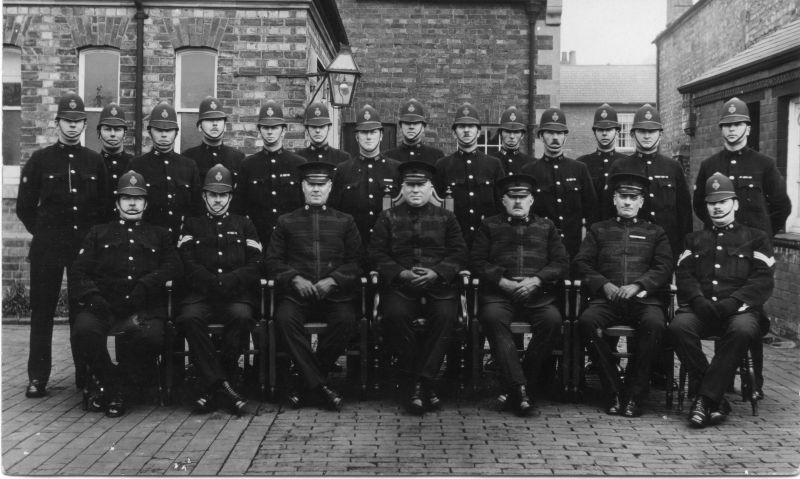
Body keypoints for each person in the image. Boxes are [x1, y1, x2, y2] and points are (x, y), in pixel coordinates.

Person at [692, 98, 790, 397]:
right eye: (727, 125)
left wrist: (758, 233)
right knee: (722, 303)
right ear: (721, 130)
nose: (732, 130)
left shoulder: (764, 164)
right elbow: (700, 205)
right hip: (722, 249)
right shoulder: (710, 165)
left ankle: (753, 381)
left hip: (753, 251)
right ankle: (723, 377)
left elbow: (781, 206)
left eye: (737, 124)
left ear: (748, 127)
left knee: (750, 309)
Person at [16, 92, 109, 397]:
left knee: (80, 312)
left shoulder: (94, 161)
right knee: (42, 312)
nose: (72, 127)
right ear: (56, 123)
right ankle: (38, 377)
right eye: (67, 121)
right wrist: (44, 233)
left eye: (78, 121)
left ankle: (84, 374)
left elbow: (104, 207)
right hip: (47, 249)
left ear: (85, 124)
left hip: (83, 250)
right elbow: (25, 207)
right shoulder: (40, 160)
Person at [69, 171, 182, 417]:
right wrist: (95, 298)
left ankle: (117, 386)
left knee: (152, 338)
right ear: (117, 202)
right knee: (84, 331)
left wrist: (146, 285)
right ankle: (114, 385)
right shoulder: (98, 233)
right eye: (126, 198)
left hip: (144, 307)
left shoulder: (159, 234)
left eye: (138, 199)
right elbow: (78, 271)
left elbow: (174, 266)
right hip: (104, 307)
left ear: (146, 203)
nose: (132, 204)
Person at [670, 173, 775, 428]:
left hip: (740, 312)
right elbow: (684, 275)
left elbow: (762, 280)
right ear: (705, 207)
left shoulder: (756, 238)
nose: (717, 207)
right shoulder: (693, 240)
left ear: (735, 204)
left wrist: (733, 302)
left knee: (742, 330)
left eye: (723, 201)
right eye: (711, 203)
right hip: (702, 309)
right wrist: (697, 300)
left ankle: (704, 399)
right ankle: (716, 401)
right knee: (678, 327)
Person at [368, 161, 468, 415]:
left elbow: (459, 252)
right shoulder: (388, 216)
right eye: (410, 185)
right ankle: (424, 383)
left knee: (446, 316)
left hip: (438, 285)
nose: (415, 190)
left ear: (430, 187)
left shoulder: (446, 216)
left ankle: (419, 382)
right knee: (394, 315)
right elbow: (376, 253)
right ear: (402, 188)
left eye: (420, 185)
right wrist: (400, 272)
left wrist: (437, 272)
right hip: (402, 285)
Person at [265, 161, 364, 411]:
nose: (316, 190)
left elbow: (357, 262)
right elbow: (272, 261)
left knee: (346, 320)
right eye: (311, 184)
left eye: (321, 185)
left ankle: (304, 382)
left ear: (330, 187)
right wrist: (294, 278)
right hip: (297, 295)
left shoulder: (345, 221)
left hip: (334, 295)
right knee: (284, 320)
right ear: (303, 186)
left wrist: (334, 280)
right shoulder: (286, 221)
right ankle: (320, 387)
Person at [574, 172, 673, 417]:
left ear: (641, 202)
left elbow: (664, 266)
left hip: (643, 300)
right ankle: (613, 391)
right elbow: (582, 263)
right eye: (623, 197)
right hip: (607, 299)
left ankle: (634, 395)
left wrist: (639, 285)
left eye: (633, 197)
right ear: (614, 200)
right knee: (586, 322)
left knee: (655, 324)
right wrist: (604, 285)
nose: (627, 202)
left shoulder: (655, 232)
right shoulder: (598, 230)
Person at [470, 174, 569, 416]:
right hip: (499, 295)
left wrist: (536, 280)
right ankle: (521, 389)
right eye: (512, 198)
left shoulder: (547, 227)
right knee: (492, 319)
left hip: (537, 294)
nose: (517, 202)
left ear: (531, 200)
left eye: (522, 197)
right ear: (503, 201)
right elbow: (476, 260)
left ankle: (517, 385)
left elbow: (561, 262)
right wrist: (502, 280)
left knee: (552, 320)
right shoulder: (489, 225)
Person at [176, 164, 262, 415]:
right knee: (190, 318)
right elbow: (186, 261)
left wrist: (231, 280)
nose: (217, 200)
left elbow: (256, 262)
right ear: (204, 196)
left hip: (235, 294)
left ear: (230, 197)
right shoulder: (191, 224)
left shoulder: (244, 223)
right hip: (201, 294)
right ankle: (224, 385)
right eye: (212, 195)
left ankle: (210, 386)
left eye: (222, 195)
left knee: (242, 316)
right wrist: (211, 283)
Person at [604, 104, 692, 261]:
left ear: (660, 134)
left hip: (667, 247)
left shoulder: (673, 167)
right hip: (630, 247)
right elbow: (606, 210)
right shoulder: (620, 166)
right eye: (642, 131)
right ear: (632, 134)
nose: (647, 136)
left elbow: (684, 212)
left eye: (651, 131)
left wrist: (684, 248)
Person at [521, 107, 597, 261]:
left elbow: (591, 211)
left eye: (559, 133)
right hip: (540, 246)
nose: (555, 137)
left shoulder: (579, 169)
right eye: (549, 132)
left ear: (565, 138)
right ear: (541, 136)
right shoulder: (529, 170)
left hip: (573, 246)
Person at [234, 100, 306, 246]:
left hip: (291, 241)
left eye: (274, 127)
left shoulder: (298, 164)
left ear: (284, 130)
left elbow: (304, 207)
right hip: (257, 240)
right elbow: (239, 209)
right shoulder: (248, 165)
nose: (270, 131)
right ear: (259, 130)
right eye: (265, 127)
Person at [128, 102, 202, 242]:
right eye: (158, 130)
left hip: (180, 241)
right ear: (150, 131)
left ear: (176, 132)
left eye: (168, 130)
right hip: (147, 241)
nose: (163, 134)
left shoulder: (189, 166)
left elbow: (197, 209)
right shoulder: (137, 165)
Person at [434, 102, 506, 246]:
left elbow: (502, 206)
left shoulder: (494, 164)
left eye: (471, 126)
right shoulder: (442, 165)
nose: (466, 130)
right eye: (461, 127)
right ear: (454, 133)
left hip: (487, 240)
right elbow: (437, 209)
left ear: (478, 132)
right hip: (454, 241)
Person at [330, 104, 401, 246]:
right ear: (356, 137)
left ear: (381, 135)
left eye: (373, 132)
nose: (368, 137)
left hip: (387, 246)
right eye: (363, 132)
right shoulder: (343, 170)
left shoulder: (396, 169)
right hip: (353, 246)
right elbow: (335, 213)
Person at [182, 96, 245, 183]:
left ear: (225, 126)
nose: (215, 124)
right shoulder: (188, 158)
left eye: (219, 120)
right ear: (200, 127)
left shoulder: (238, 158)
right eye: (209, 120)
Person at [576, 103, 627, 200]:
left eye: (609, 129)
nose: (604, 133)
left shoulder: (626, 162)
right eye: (600, 129)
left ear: (617, 132)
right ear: (594, 132)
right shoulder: (582, 163)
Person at [384, 98, 444, 165]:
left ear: (423, 127)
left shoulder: (436, 156)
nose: (411, 127)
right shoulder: (388, 157)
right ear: (401, 127)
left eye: (415, 123)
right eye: (407, 123)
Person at [296, 101, 352, 165]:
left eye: (322, 126)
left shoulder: (343, 158)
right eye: (313, 126)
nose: (317, 130)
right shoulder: (297, 158)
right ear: (307, 129)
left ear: (329, 128)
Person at [491, 106, 534, 175]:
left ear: (522, 135)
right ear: (500, 133)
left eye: (516, 132)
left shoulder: (531, 164)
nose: (512, 136)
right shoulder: (490, 162)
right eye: (507, 131)